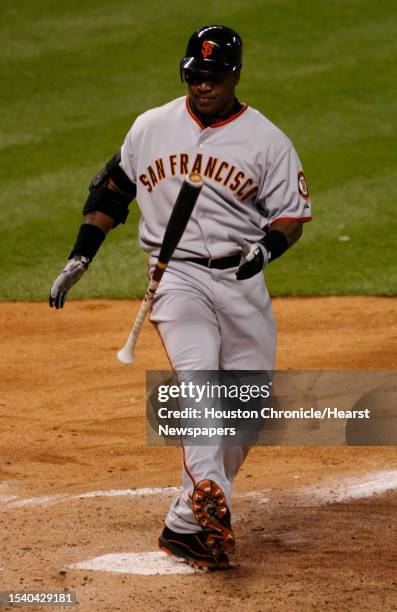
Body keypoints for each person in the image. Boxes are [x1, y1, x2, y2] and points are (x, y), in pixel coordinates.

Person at [49, 24, 311, 570]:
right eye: (194, 77)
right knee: (197, 381)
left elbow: (291, 216)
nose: (203, 87)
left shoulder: (266, 140)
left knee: (246, 409)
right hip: (177, 279)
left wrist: (265, 250)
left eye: (214, 78)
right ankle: (210, 489)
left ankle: (186, 524)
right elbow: (112, 190)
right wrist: (81, 256)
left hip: (241, 282)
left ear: (236, 75)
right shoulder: (151, 127)